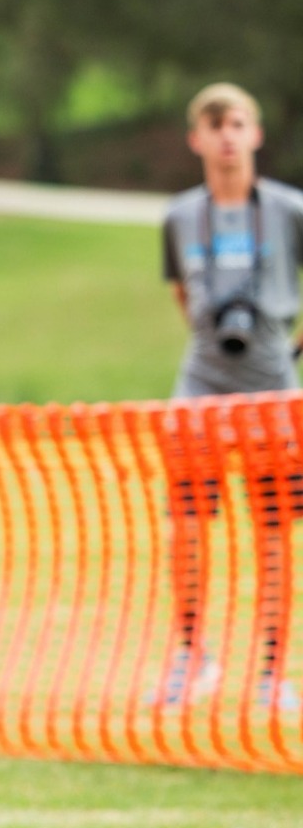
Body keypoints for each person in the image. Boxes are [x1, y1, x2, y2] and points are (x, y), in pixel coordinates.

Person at [154, 82, 303, 714]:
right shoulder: (181, 217)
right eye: (213, 126)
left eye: (236, 123)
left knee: (274, 531)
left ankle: (273, 669)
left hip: (272, 385)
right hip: (202, 387)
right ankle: (192, 656)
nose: (225, 136)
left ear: (255, 133)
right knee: (189, 526)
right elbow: (181, 295)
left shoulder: (290, 210)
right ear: (196, 139)